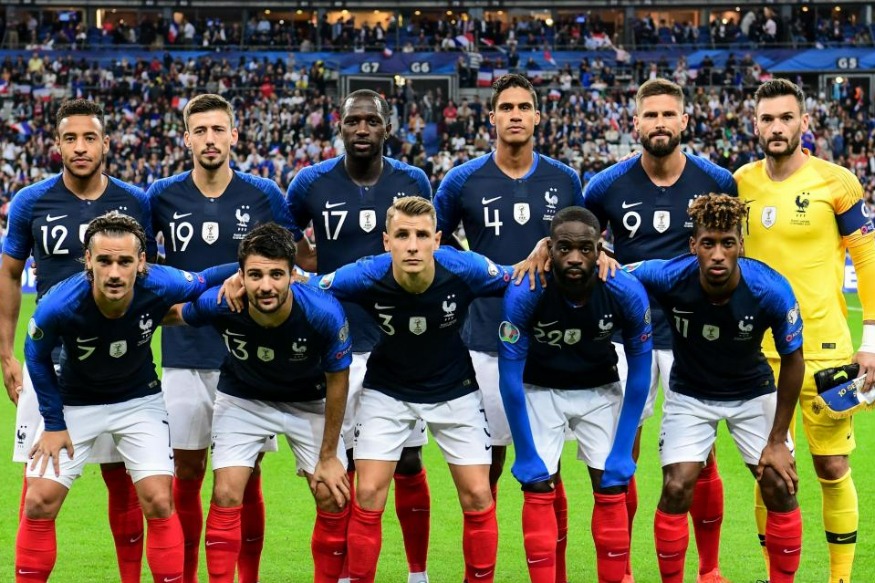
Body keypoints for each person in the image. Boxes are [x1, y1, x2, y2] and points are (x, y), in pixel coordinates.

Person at [16, 211, 238, 582]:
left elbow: (205, 278)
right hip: (75, 403)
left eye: (124, 261)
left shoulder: (161, 283)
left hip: (139, 402)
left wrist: (248, 269)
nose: (115, 272)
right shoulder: (59, 304)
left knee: (159, 499)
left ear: (142, 262)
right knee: (38, 502)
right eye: (104, 260)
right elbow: (36, 356)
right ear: (88, 260)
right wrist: (53, 424)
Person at [583, 78, 737, 582]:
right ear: (635, 123)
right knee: (621, 452)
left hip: (695, 339)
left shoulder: (716, 181)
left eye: (669, 115)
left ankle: (709, 569)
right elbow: (582, 244)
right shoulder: (606, 186)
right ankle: (621, 571)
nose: (660, 123)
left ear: (685, 122)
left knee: (701, 456)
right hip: (628, 338)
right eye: (650, 115)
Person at [433, 73, 584, 583]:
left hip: (550, 342)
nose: (515, 114)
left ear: (538, 117)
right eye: (506, 107)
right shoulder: (461, 181)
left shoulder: (564, 179)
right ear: (491, 117)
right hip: (485, 341)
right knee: (488, 468)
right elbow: (434, 242)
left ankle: (554, 574)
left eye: (524, 106)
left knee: (549, 469)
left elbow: (580, 244)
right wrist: (482, 270)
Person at [314, 196, 510, 583]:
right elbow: (311, 289)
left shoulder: (465, 268)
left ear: (438, 239)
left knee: (477, 494)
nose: (413, 245)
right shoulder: (366, 274)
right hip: (387, 390)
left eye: (422, 235)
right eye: (402, 235)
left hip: (455, 388)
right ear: (386, 242)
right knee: (368, 493)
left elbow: (518, 280)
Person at [0, 99, 156, 583]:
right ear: (57, 146)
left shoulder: (134, 201)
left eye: (90, 138)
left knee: (125, 483)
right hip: (51, 363)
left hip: (120, 362)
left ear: (107, 144)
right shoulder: (31, 201)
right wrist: (6, 351)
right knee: (38, 488)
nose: (81, 147)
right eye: (71, 138)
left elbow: (149, 276)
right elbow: (8, 274)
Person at [147, 93, 295, 583]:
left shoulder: (265, 195)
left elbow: (289, 266)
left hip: (249, 357)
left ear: (234, 135)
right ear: (186, 138)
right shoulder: (162, 196)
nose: (209, 139)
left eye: (218, 130)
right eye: (200, 131)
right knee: (185, 478)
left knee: (244, 482)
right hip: (184, 357)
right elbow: (146, 270)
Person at [287, 89, 434, 583]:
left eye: (373, 121)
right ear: (341, 127)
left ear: (388, 127)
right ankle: (348, 572)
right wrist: (320, 267)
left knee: (409, 460)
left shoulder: (411, 180)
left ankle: (417, 573)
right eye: (354, 122)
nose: (363, 129)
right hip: (335, 344)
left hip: (397, 341)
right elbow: (288, 244)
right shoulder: (311, 182)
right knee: (338, 464)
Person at [622, 194, 804, 583]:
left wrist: (777, 440)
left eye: (727, 243)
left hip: (753, 393)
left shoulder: (770, 289)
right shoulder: (671, 275)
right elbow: (614, 272)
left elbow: (794, 360)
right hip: (690, 395)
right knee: (675, 487)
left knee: (779, 484)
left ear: (741, 245)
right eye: (708, 243)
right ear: (693, 246)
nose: (718, 254)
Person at [736, 78, 875, 583]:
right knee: (768, 471)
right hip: (759, 353)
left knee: (833, 468)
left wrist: (872, 342)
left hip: (825, 348)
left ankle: (839, 579)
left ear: (804, 122)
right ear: (755, 125)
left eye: (786, 118)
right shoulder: (740, 182)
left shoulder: (836, 182)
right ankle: (778, 575)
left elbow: (868, 258)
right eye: (768, 119)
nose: (777, 127)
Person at [166, 223, 352, 583]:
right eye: (255, 275)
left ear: (292, 275)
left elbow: (338, 382)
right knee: (225, 492)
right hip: (243, 399)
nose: (266, 286)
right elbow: (170, 314)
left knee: (332, 493)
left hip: (308, 401)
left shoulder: (323, 313)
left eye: (275, 275)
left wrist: (328, 456)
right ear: (241, 276)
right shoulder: (222, 302)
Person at [498, 206, 653, 583]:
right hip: (539, 389)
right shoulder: (526, 290)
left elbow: (641, 373)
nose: (574, 257)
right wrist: (526, 452)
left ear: (600, 248)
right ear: (548, 248)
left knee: (613, 482)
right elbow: (509, 378)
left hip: (600, 388)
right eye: (564, 248)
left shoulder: (624, 289)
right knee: (536, 482)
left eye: (585, 249)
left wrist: (622, 449)